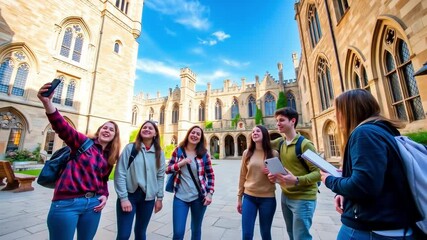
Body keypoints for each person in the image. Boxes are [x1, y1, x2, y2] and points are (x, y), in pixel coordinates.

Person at [321, 89, 420, 240]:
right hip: (388, 225)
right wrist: (344, 187)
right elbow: (380, 178)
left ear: (350, 110)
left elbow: (363, 186)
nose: (335, 115)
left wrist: (329, 180)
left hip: (372, 229)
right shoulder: (384, 130)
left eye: (338, 110)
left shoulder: (364, 133)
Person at [38, 82, 121, 240]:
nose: (107, 130)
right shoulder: (82, 143)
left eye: (112, 129)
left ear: (114, 136)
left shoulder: (109, 156)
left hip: (93, 205)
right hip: (67, 203)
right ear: (99, 130)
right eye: (105, 127)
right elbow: (62, 127)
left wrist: (104, 194)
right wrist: (48, 103)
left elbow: (103, 180)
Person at [268, 107, 320, 240]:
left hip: (303, 198)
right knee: (291, 234)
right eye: (277, 121)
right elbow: (263, 143)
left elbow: (319, 173)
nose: (277, 123)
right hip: (286, 196)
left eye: (281, 120)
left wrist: (296, 179)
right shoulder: (280, 143)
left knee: (301, 237)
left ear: (292, 121)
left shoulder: (305, 144)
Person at [114, 120, 166, 240]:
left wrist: (160, 198)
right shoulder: (130, 148)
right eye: (144, 127)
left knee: (141, 233)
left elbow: (160, 176)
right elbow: (120, 173)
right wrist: (123, 198)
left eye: (150, 128)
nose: (147, 129)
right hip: (129, 196)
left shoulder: (160, 153)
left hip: (148, 198)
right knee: (123, 235)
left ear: (155, 134)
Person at [166, 126, 215, 240]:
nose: (195, 135)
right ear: (188, 134)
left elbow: (210, 175)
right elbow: (168, 169)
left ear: (201, 138)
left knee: (196, 229)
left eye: (198, 134)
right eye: (193, 132)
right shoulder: (178, 151)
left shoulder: (204, 154)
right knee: (178, 233)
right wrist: (181, 163)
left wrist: (210, 193)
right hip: (180, 197)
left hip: (199, 197)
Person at [237, 125, 279, 240]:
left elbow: (279, 178)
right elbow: (242, 176)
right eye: (253, 131)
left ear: (264, 134)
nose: (254, 133)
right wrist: (239, 198)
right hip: (249, 197)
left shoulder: (273, 153)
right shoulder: (247, 153)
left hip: (268, 199)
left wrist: (273, 175)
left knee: (265, 233)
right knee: (246, 234)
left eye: (258, 131)